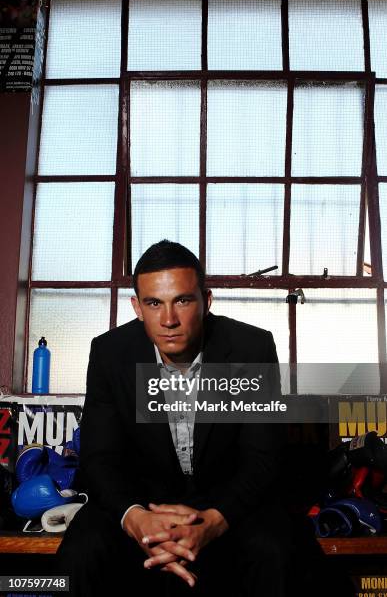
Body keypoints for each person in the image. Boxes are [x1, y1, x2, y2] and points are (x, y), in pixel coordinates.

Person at [55, 240, 354, 597]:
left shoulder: (250, 348)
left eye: (182, 300)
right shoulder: (110, 353)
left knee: (276, 549)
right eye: (154, 303)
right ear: (137, 307)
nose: (168, 320)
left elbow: (263, 459)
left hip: (227, 506)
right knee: (81, 551)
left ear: (206, 301)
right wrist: (137, 520)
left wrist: (213, 521)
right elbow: (99, 458)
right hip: (143, 504)